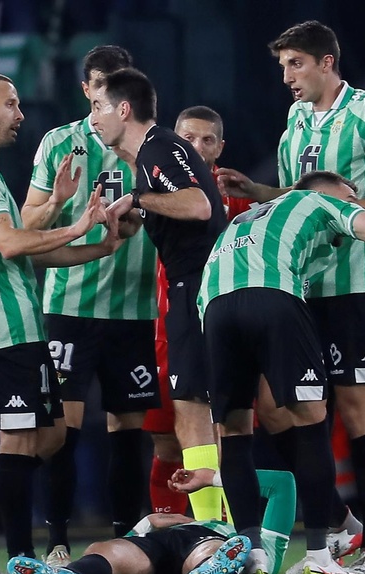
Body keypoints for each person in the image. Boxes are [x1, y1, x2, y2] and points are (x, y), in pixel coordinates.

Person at [218, 20, 365, 574]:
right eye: (283, 66)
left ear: (327, 61)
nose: (287, 77)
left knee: (357, 413)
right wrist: (257, 192)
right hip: (301, 288)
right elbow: (297, 200)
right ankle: (338, 519)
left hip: (355, 285)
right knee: (273, 408)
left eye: (296, 64)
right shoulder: (296, 120)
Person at [194, 170, 365, 574]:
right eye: (350, 193)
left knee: (233, 431)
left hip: (213, 307)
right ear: (325, 192)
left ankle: (249, 554)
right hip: (273, 298)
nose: (354, 200)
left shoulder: (246, 217)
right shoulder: (320, 202)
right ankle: (320, 552)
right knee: (312, 421)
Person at [0, 72, 118, 574]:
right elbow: (10, 244)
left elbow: (23, 251)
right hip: (2, 328)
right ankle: (20, 558)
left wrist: (92, 241)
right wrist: (79, 224)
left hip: (21, 324)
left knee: (54, 434)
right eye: (10, 104)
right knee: (20, 441)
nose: (20, 114)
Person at [16, 46, 159, 566]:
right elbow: (27, 224)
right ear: (85, 90)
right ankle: (56, 540)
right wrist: (56, 203)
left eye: (114, 87)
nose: (104, 97)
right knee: (60, 432)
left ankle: (126, 537)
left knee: (128, 433)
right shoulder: (60, 143)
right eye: (98, 86)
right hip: (70, 307)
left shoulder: (151, 146)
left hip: (135, 308)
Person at [93, 68, 229, 525]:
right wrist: (125, 218)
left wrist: (136, 199)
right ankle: (233, 527)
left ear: (124, 110)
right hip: (201, 284)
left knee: (194, 409)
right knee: (212, 413)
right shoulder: (152, 156)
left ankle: (215, 527)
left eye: (99, 107)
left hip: (198, 285)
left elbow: (197, 206)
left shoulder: (159, 150)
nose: (94, 119)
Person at [144, 105, 256, 517]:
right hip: (169, 324)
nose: (197, 146)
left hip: (223, 323)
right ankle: (171, 525)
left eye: (207, 139)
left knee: (225, 427)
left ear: (220, 147)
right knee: (166, 437)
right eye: (188, 138)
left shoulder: (239, 197)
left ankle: (220, 525)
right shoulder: (159, 190)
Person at [6, 469, 295, 574]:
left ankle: (213, 568)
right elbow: (147, 527)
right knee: (107, 550)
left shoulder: (262, 546)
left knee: (217, 549)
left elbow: (282, 483)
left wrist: (209, 477)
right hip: (161, 543)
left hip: (206, 544)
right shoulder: (203, 522)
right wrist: (147, 524)